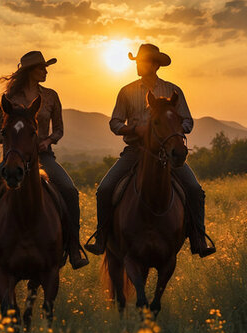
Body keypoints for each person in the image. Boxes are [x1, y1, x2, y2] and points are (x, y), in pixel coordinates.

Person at [85, 44, 215, 258]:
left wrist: (172, 132)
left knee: (194, 190)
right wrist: (136, 129)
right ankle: (102, 237)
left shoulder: (173, 91)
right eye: (136, 61)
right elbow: (115, 123)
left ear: (155, 65)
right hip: (135, 151)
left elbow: (188, 121)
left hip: (167, 154)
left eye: (142, 61)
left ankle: (198, 238)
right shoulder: (126, 91)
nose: (137, 64)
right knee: (105, 189)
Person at [0, 50, 89, 269]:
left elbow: (58, 130)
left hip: (44, 157)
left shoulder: (50, 96)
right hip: (14, 158)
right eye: (41, 68)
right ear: (31, 71)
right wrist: (9, 139)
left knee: (69, 190)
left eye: (45, 67)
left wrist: (47, 141)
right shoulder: (10, 98)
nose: (45, 71)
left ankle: (74, 246)